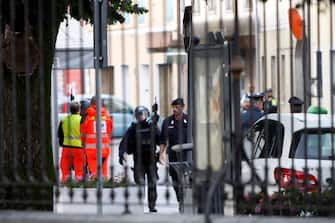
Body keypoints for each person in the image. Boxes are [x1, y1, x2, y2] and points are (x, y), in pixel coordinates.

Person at [119, 106, 160, 212]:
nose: (140, 117)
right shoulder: (133, 128)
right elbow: (124, 141)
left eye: (142, 114)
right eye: (138, 115)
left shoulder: (152, 126)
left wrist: (155, 125)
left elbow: (161, 140)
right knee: (140, 183)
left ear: (146, 115)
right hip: (139, 160)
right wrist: (121, 153)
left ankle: (152, 206)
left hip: (151, 160)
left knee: (152, 183)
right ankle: (140, 205)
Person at [159, 98, 190, 205]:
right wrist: (161, 154)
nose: (175, 109)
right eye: (173, 107)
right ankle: (180, 200)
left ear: (183, 107)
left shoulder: (189, 120)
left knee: (188, 179)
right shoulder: (167, 121)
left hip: (188, 155)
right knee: (175, 180)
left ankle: (188, 200)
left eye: (177, 107)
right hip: (173, 156)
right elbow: (163, 139)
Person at [81, 96, 113, 179]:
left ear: (91, 104)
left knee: (94, 176)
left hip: (91, 152)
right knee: (104, 175)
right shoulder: (107, 118)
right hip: (104, 150)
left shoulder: (87, 118)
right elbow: (109, 132)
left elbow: (83, 134)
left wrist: (83, 145)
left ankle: (96, 187)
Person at [58, 101, 86, 183]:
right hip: (79, 148)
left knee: (64, 166)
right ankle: (78, 181)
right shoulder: (81, 120)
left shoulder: (64, 120)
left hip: (66, 147)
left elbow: (60, 134)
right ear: (79, 110)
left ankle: (64, 181)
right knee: (79, 167)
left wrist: (62, 143)